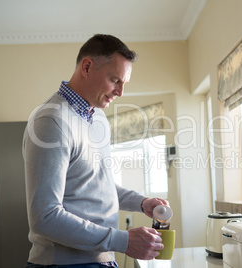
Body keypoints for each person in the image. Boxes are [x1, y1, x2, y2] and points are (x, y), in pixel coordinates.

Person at [23, 34, 168, 268]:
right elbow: (44, 217)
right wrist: (123, 240)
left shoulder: (98, 118)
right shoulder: (51, 120)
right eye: (115, 80)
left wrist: (142, 203)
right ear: (87, 67)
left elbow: (99, 184)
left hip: (101, 260)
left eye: (124, 84)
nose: (120, 92)